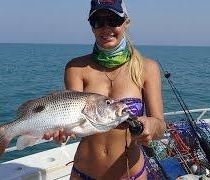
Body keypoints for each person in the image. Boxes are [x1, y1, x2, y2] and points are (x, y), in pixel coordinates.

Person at [44, 0, 166, 179]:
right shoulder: (76, 68)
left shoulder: (147, 68)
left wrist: (151, 126)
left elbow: (161, 126)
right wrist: (60, 132)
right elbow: (72, 121)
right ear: (91, 26)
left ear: (126, 22)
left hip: (131, 174)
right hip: (83, 173)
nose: (106, 28)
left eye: (113, 20)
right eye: (98, 21)